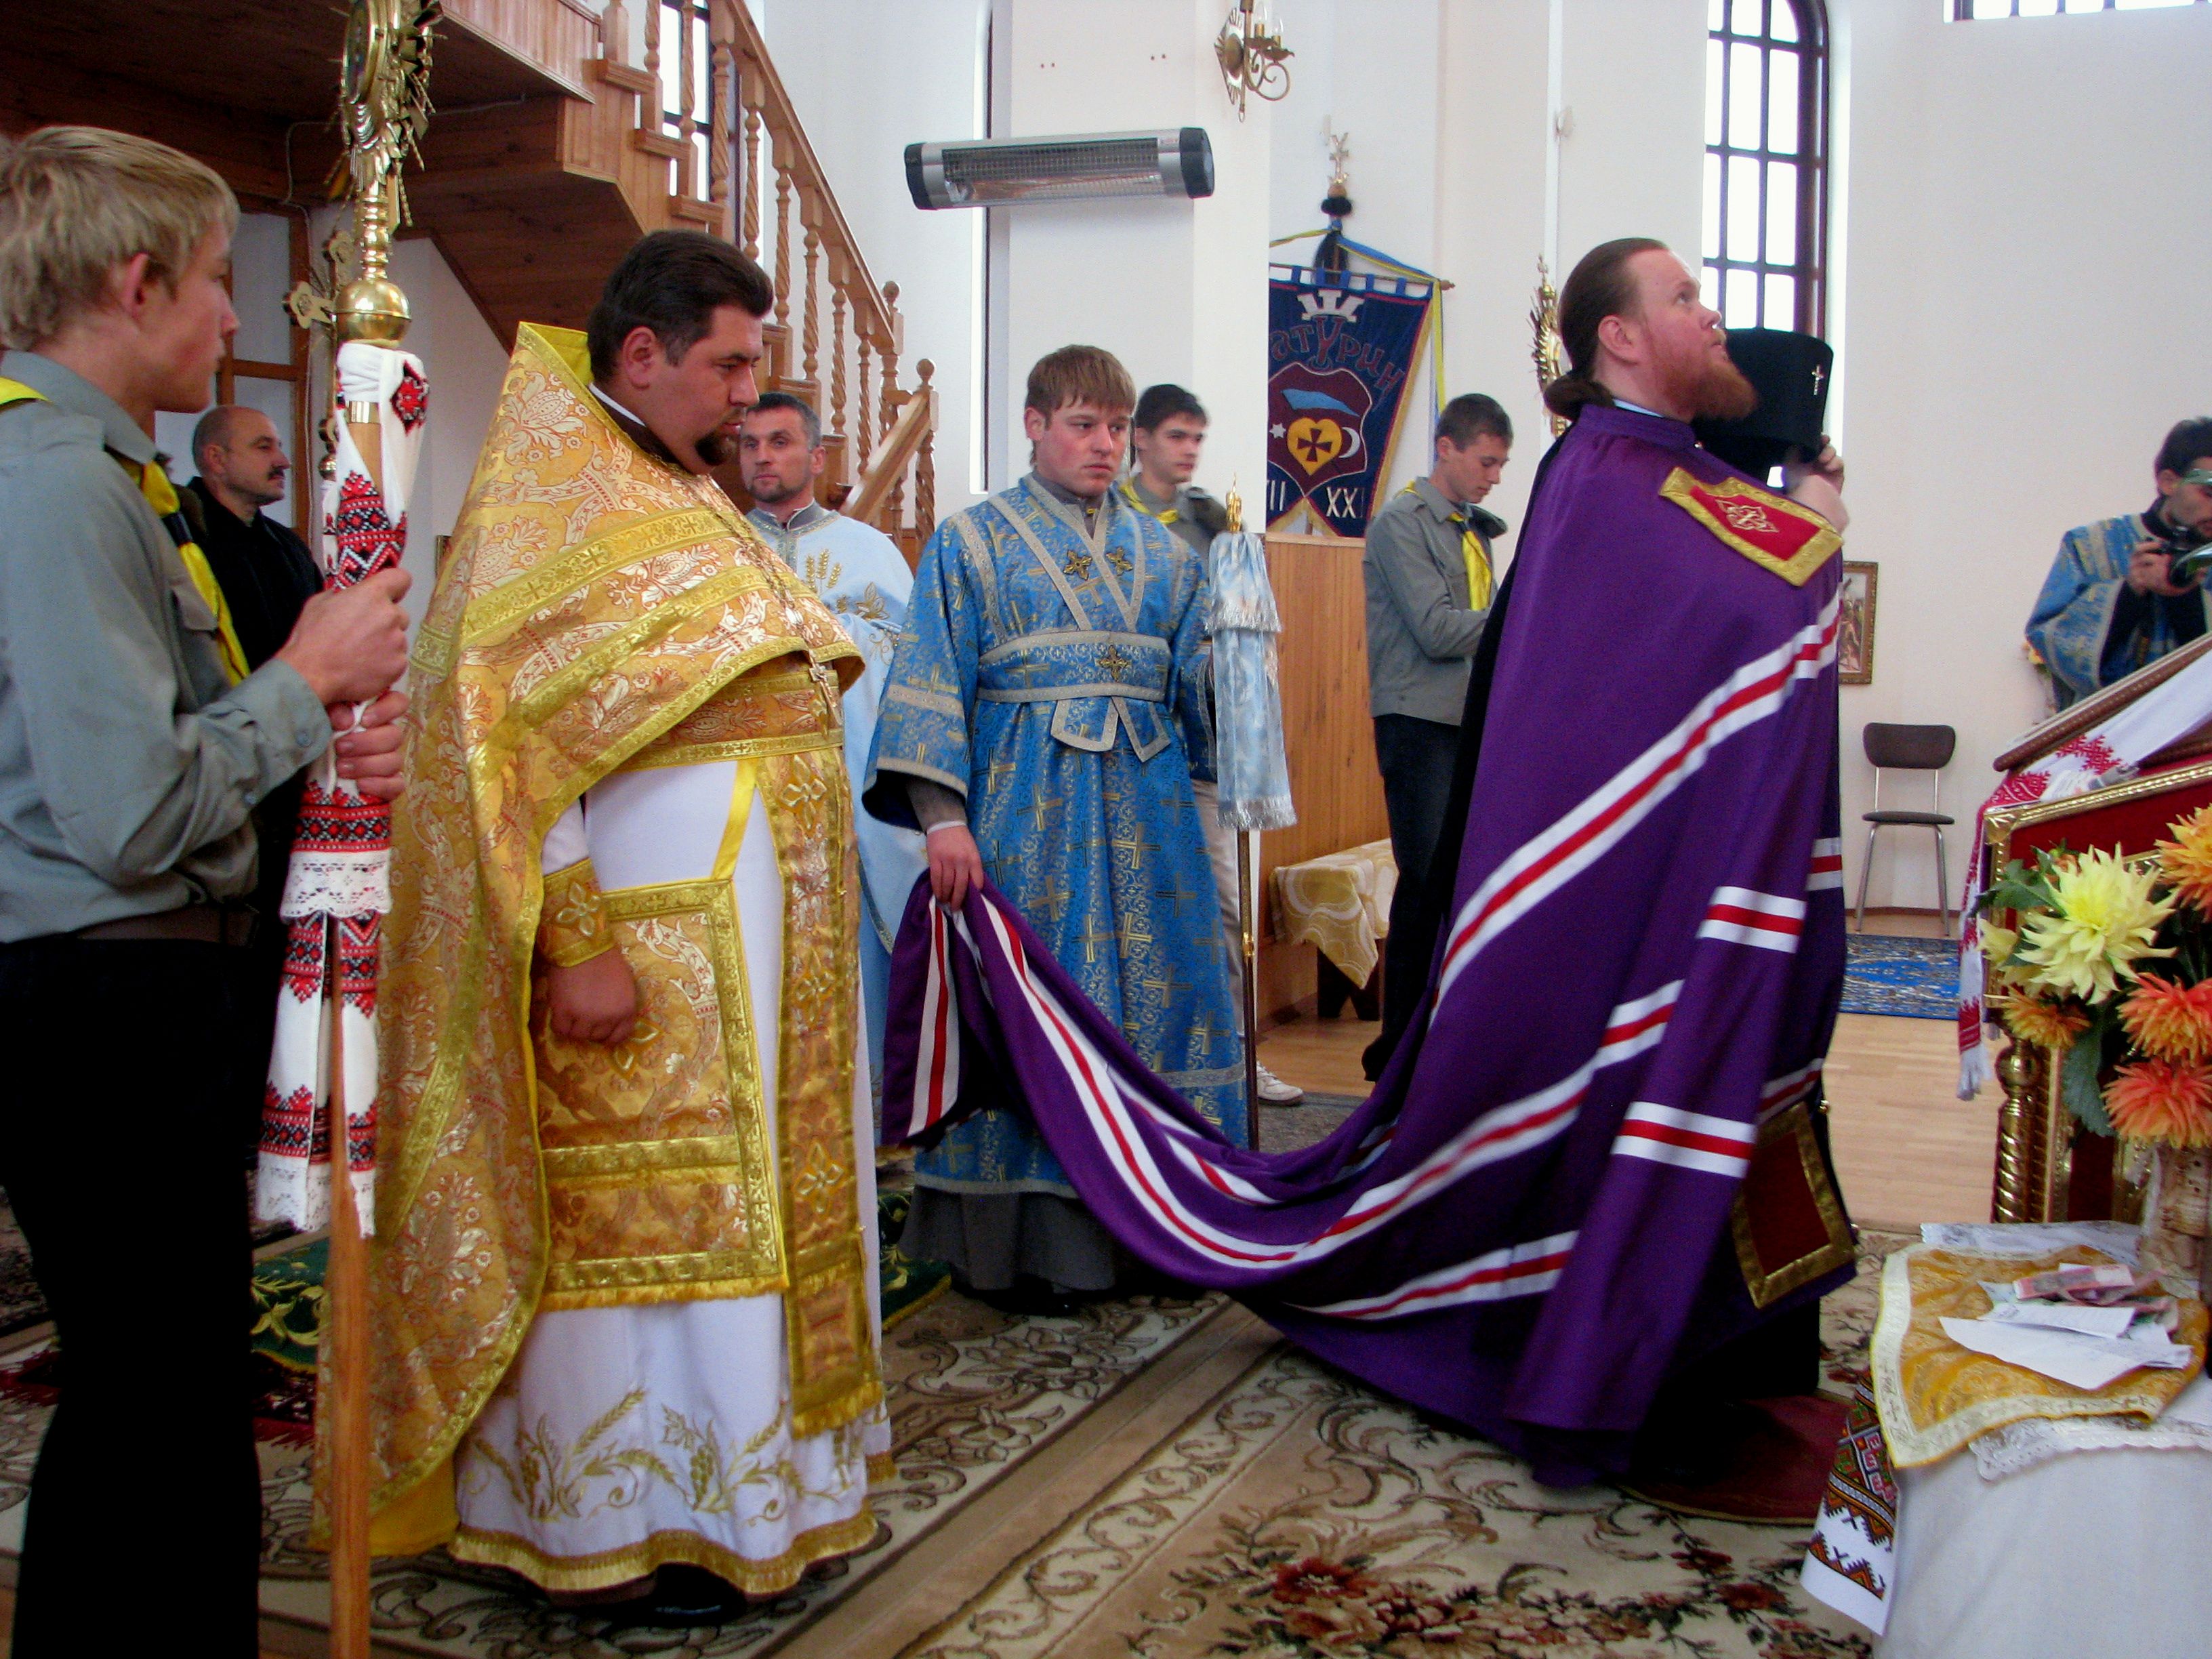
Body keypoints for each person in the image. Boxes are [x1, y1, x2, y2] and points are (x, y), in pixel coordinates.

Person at [363, 230, 886, 1619]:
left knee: (748, 1231)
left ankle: (750, 1501)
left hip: (752, 942)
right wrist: (578, 938)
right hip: (652, 949)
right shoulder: (557, 492)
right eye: (730, 363)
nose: (747, 394)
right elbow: (501, 738)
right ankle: (622, 1525)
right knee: (651, 1245)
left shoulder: (663, 475)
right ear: (642, 353)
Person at [0, 127, 410, 1656]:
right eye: (218, 283)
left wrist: (327, 717)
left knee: (163, 1400)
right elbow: (130, 813)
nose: (238, 318)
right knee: (154, 1411)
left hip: (136, 979)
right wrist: (306, 678)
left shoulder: (101, 474)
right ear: (135, 282)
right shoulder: (57, 484)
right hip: (103, 991)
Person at [865, 344, 1242, 1312]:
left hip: (1154, 827)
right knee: (1035, 1016)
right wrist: (942, 821)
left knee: (1158, 1009)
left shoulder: (1172, 558)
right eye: (1083, 425)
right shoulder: (971, 541)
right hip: (1023, 820)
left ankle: (1166, 1228)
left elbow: (1199, 703)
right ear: (1034, 425)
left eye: (1116, 427)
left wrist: (1241, 652)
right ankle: (1031, 1251)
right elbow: (930, 680)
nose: (1104, 444)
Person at [737, 390, 927, 1122]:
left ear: (817, 458)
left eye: (780, 442)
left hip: (850, 780)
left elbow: (909, 672)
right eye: (751, 443)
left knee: (863, 941)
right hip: (754, 783)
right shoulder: (721, 546)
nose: (763, 457)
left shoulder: (870, 550)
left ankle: (875, 1120)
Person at [1123, 382, 1301, 1105]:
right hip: (1130, 747)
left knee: (1225, 906)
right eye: (1177, 436)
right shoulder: (1107, 517)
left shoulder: (1214, 526)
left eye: (1198, 437)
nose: (1190, 450)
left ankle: (1237, 1054)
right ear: (1140, 438)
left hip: (1201, 748)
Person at [179, 404, 329, 1155]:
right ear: (214, 459)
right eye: (262, 445)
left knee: (287, 950)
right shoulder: (184, 538)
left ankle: (285, 1106)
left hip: (295, 777)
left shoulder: (286, 547)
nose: (282, 458)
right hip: (222, 777)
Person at [1359, 392, 1513, 1080]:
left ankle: (1443, 1035)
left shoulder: (1471, 531)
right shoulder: (1403, 523)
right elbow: (1437, 628)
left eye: (1501, 465)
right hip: (1419, 722)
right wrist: (1520, 612)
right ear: (1446, 448)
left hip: (1468, 718)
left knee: (1457, 881)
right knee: (1423, 880)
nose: (1495, 477)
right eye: (1486, 461)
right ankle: (1397, 1048)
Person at [2026, 417, 2212, 708]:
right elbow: (2050, 638)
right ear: (2169, 482)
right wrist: (2129, 593)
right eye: (2209, 493)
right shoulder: (2091, 545)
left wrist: (2187, 600)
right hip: (2109, 724)